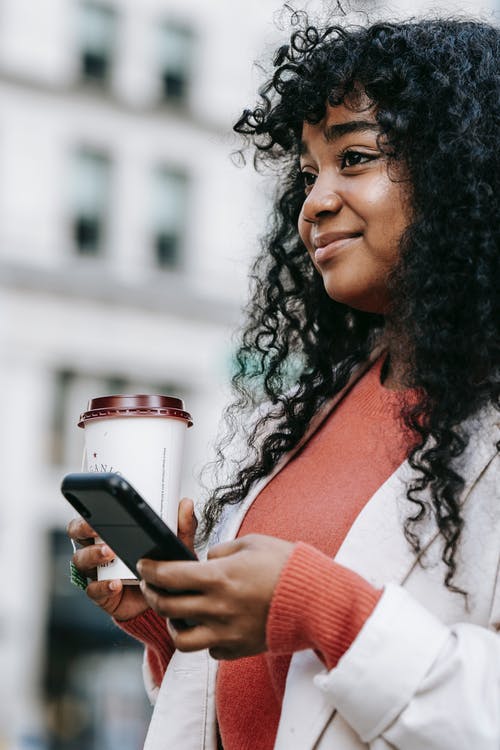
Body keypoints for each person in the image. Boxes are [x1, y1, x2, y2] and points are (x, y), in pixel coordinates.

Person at [68, 14, 500, 750]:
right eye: (307, 173)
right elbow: (274, 697)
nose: (315, 202)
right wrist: (173, 618)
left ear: (466, 170)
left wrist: (322, 607)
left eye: (355, 158)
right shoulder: (301, 418)